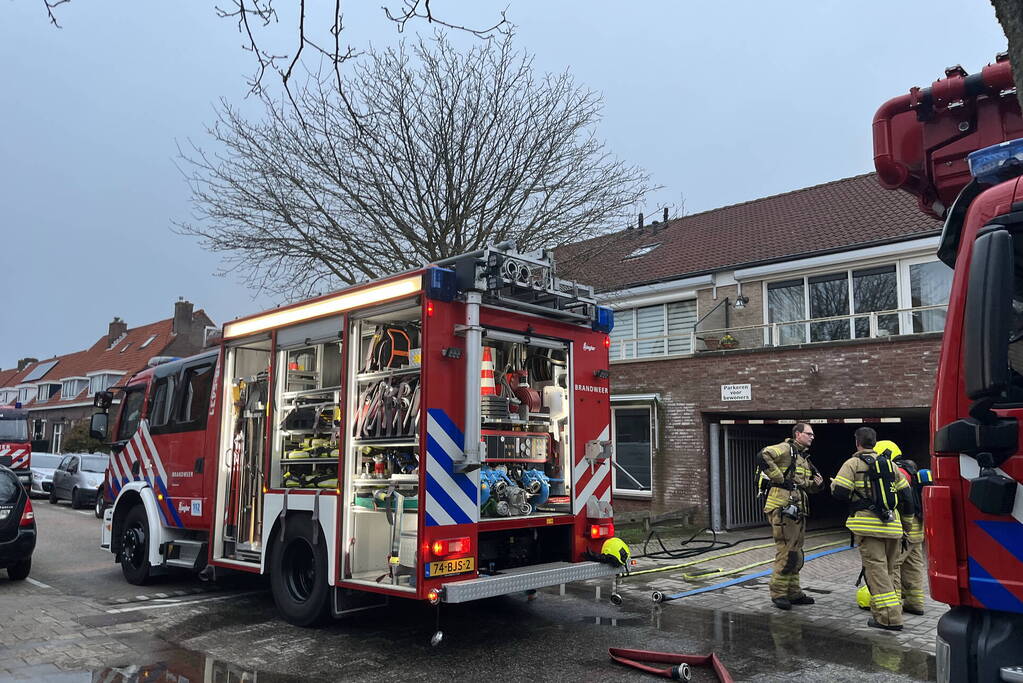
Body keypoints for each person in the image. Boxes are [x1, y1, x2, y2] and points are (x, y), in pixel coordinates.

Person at [832, 427, 915, 631]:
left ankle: (889, 618)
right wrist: (906, 525)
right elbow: (907, 497)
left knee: (877, 572)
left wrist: (835, 486)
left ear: (857, 443)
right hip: (893, 526)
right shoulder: (891, 466)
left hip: (867, 528)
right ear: (875, 443)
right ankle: (888, 611)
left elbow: (840, 492)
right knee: (889, 571)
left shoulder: (852, 463)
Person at [757, 422, 824, 610]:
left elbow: (803, 485)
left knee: (796, 553)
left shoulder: (802, 457)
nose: (812, 437)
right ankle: (778, 593)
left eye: (812, 434)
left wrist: (817, 484)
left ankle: (793, 592)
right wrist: (779, 478)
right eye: (809, 433)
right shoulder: (786, 448)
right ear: (797, 434)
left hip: (797, 509)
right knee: (787, 551)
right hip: (783, 507)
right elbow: (763, 455)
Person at [879, 439, 928, 616]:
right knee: (913, 566)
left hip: (905, 528)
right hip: (918, 527)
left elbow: (898, 501)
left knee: (893, 565)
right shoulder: (911, 469)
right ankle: (915, 603)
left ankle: (894, 606)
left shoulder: (896, 472)